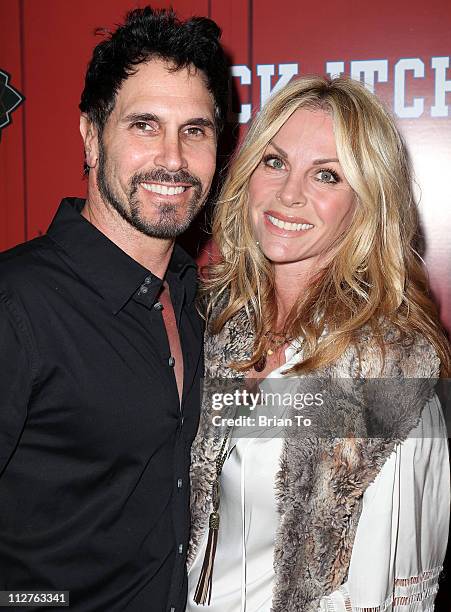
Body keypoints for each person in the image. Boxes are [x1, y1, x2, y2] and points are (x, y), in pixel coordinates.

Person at [186, 76, 450, 611]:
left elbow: (396, 600)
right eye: (275, 162)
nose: (289, 194)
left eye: (326, 175)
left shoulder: (390, 370)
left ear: (367, 203)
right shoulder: (211, 325)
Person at [0, 6, 228, 611]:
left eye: (196, 130)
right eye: (145, 126)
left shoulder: (200, 300)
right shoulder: (14, 305)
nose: (173, 159)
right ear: (91, 135)